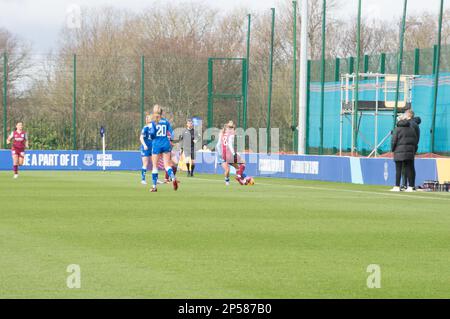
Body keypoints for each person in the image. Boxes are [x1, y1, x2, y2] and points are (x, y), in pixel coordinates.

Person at [149, 104, 178, 192]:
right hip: (165, 144)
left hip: (157, 145)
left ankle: (154, 187)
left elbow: (152, 134)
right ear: (162, 113)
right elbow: (172, 133)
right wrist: (171, 140)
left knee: (155, 166)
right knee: (167, 165)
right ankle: (173, 178)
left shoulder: (153, 122)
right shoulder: (166, 121)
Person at [216, 121, 252, 186]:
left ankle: (243, 180)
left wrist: (220, 153)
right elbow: (229, 144)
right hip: (228, 154)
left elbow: (218, 144)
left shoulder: (222, 133)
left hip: (223, 155)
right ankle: (239, 177)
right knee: (242, 163)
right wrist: (233, 153)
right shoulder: (231, 133)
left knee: (237, 168)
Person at [391, 115, 418, 192]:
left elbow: (393, 141)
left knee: (398, 169)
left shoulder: (397, 129)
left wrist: (392, 149)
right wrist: (413, 150)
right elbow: (415, 141)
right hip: (410, 152)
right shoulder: (412, 129)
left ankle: (397, 186)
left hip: (399, 152)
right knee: (409, 169)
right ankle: (411, 187)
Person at [401, 109, 421, 190]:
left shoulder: (410, 124)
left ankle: (406, 185)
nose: (403, 115)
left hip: (407, 147)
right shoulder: (414, 124)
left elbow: (407, 136)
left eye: (405, 114)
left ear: (409, 115)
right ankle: (409, 185)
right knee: (409, 166)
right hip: (412, 147)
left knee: (406, 166)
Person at [139, 115, 153, 185]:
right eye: (146, 118)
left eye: (149, 118)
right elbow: (141, 138)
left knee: (154, 163)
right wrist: (144, 145)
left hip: (152, 147)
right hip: (146, 148)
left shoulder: (154, 127)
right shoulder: (145, 128)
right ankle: (143, 179)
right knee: (145, 163)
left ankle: (155, 179)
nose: (147, 119)